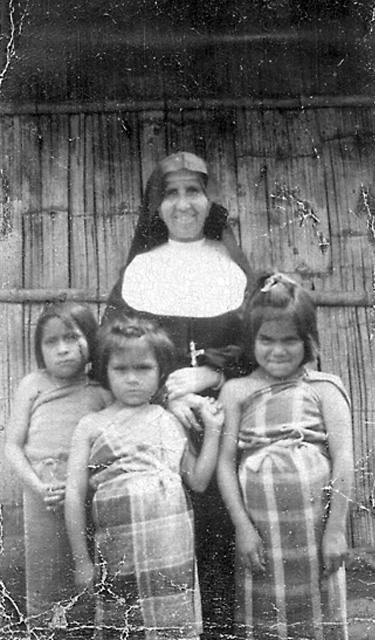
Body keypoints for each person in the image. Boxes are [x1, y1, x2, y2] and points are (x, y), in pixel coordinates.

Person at [104, 151, 255, 635]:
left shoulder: (233, 267)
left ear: (210, 201)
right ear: (157, 204)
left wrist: (212, 375)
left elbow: (264, 344)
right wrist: (167, 397)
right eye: (171, 192)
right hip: (155, 425)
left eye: (194, 191)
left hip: (225, 421)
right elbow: (113, 352)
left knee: (221, 540)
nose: (184, 203)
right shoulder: (140, 271)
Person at [64, 315, 224, 640]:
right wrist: (82, 560)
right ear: (105, 371)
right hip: (118, 552)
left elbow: (197, 480)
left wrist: (214, 431)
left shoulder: (170, 419)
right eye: (121, 369)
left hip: (170, 553)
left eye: (143, 368)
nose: (132, 379)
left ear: (161, 370)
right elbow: (74, 493)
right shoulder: (92, 426)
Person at [216, 273, 353, 640]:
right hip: (261, 534)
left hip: (315, 533)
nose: (278, 351)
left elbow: (343, 461)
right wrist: (242, 528)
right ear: (251, 340)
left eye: (290, 340)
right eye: (267, 340)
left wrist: (336, 531)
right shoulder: (236, 391)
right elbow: (225, 465)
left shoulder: (325, 388)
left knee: (318, 617)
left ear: (308, 341)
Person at [5, 301, 111, 633]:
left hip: (85, 497)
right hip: (42, 496)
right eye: (51, 342)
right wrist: (38, 487)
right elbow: (12, 445)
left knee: (85, 580)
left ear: (90, 339)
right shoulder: (33, 385)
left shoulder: (101, 392)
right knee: (45, 582)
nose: (62, 349)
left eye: (72, 338)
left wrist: (85, 485)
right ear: (39, 348)